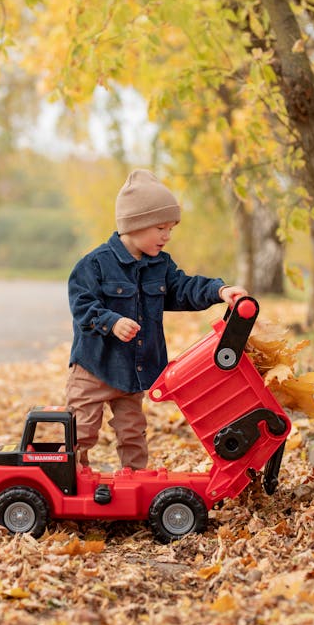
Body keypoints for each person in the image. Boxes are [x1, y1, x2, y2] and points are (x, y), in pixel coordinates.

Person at [66, 169, 247, 470]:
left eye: (171, 229)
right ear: (135, 224)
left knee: (133, 431)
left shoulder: (159, 265)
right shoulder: (95, 265)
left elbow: (183, 288)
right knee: (81, 430)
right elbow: (82, 305)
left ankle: (134, 481)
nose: (167, 236)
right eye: (160, 227)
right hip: (93, 367)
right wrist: (112, 321)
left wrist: (220, 290)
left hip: (131, 371)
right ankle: (69, 479)